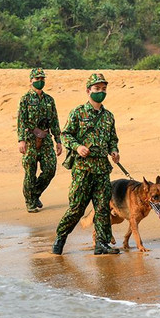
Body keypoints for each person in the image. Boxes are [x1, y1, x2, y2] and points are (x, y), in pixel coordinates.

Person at [52, 73, 121, 255]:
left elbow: (112, 138)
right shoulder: (78, 112)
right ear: (88, 91)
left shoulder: (108, 117)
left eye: (103, 89)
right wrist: (78, 147)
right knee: (77, 208)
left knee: (102, 207)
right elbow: (65, 135)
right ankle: (60, 237)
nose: (100, 92)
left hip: (101, 169)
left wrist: (114, 150)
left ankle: (102, 243)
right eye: (97, 89)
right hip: (82, 169)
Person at [17, 68, 63, 213]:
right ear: (31, 81)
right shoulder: (25, 99)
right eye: (37, 79)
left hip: (45, 138)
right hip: (30, 138)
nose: (40, 81)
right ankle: (29, 201)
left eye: (42, 79)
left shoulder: (49, 100)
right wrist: (21, 140)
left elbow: (55, 120)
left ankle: (34, 194)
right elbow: (21, 120)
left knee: (50, 169)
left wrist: (58, 140)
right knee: (30, 171)